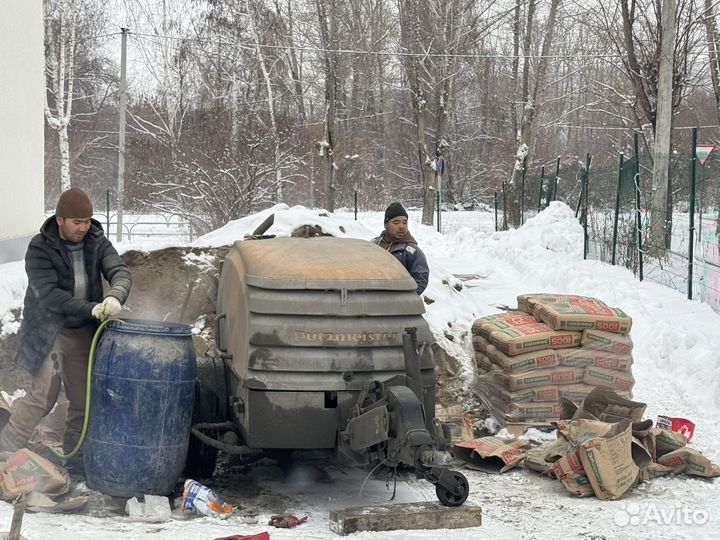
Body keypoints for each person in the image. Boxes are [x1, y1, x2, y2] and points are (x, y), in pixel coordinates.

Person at [0, 188, 132, 461]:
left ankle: (73, 454)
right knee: (42, 397)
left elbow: (119, 270)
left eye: (87, 221)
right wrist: (92, 308)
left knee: (84, 399)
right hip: (48, 331)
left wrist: (116, 294)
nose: (83, 228)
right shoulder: (40, 247)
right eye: (77, 222)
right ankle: (6, 447)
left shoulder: (97, 240)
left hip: (83, 331)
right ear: (60, 219)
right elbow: (50, 296)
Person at [372, 202, 429, 294]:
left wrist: (405, 298)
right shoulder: (374, 244)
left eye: (405, 222)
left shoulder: (411, 251)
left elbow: (421, 278)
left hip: (398, 305)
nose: (402, 227)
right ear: (386, 225)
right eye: (396, 222)